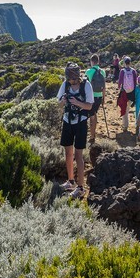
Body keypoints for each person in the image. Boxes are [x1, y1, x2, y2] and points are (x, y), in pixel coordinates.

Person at [57, 63, 95, 198]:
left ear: (77, 77)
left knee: (78, 155)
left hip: (80, 123)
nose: (71, 81)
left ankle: (80, 187)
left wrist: (77, 103)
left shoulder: (86, 86)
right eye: (69, 78)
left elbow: (90, 106)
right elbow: (59, 103)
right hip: (67, 121)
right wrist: (64, 100)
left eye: (73, 79)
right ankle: (70, 181)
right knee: (68, 153)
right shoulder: (65, 85)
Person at [85, 54, 109, 136]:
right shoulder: (102, 71)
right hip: (99, 96)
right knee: (94, 113)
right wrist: (103, 98)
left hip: (90, 97)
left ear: (92, 61)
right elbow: (104, 87)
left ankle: (92, 135)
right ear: (98, 61)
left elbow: (85, 85)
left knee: (92, 115)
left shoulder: (88, 72)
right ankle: (93, 133)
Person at [115, 56, 139, 134]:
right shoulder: (133, 71)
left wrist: (118, 88)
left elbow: (120, 81)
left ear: (124, 63)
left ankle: (125, 126)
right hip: (131, 94)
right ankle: (132, 125)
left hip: (124, 93)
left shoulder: (122, 71)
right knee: (127, 109)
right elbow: (135, 82)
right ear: (130, 62)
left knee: (124, 110)